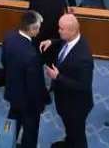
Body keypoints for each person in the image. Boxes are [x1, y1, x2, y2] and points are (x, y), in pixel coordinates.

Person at [39, 13, 93, 148]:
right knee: (70, 130)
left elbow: (83, 86)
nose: (58, 31)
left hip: (76, 106)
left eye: (61, 29)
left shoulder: (84, 58)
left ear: (72, 31)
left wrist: (57, 77)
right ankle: (69, 143)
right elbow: (62, 41)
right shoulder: (71, 39)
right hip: (65, 100)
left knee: (78, 135)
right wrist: (52, 41)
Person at [3, 10, 48, 148]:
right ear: (32, 29)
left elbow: (4, 61)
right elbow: (34, 85)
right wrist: (40, 104)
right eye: (39, 28)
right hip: (28, 102)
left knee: (11, 123)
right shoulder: (32, 56)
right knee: (30, 131)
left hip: (12, 90)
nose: (40, 31)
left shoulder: (9, 37)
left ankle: (5, 144)